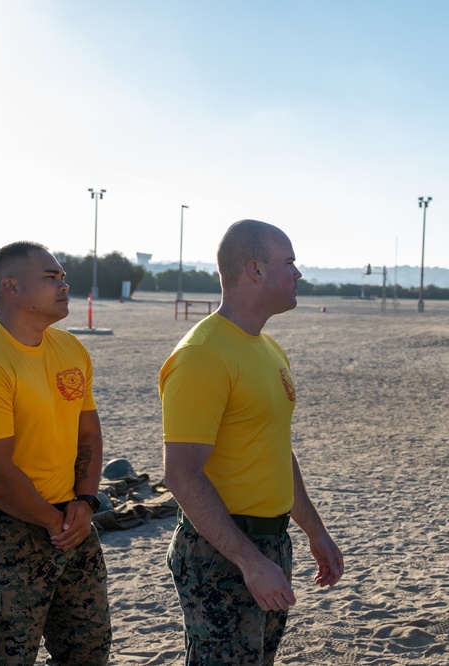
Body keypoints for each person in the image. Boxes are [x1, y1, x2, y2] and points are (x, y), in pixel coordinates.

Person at [161, 220, 344, 665]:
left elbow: (276, 449)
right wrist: (249, 562)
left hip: (269, 542)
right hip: (222, 552)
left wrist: (314, 531)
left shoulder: (268, 348)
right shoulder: (203, 354)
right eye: (289, 262)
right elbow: (181, 475)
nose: (298, 273)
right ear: (255, 270)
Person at [0, 241, 111, 664]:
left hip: (72, 521)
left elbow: (88, 432)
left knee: (88, 652)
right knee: (6, 658)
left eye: (63, 277)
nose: (64, 285)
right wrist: (58, 522)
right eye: (51, 277)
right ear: (10, 287)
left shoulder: (70, 349)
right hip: (2, 534)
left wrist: (85, 503)